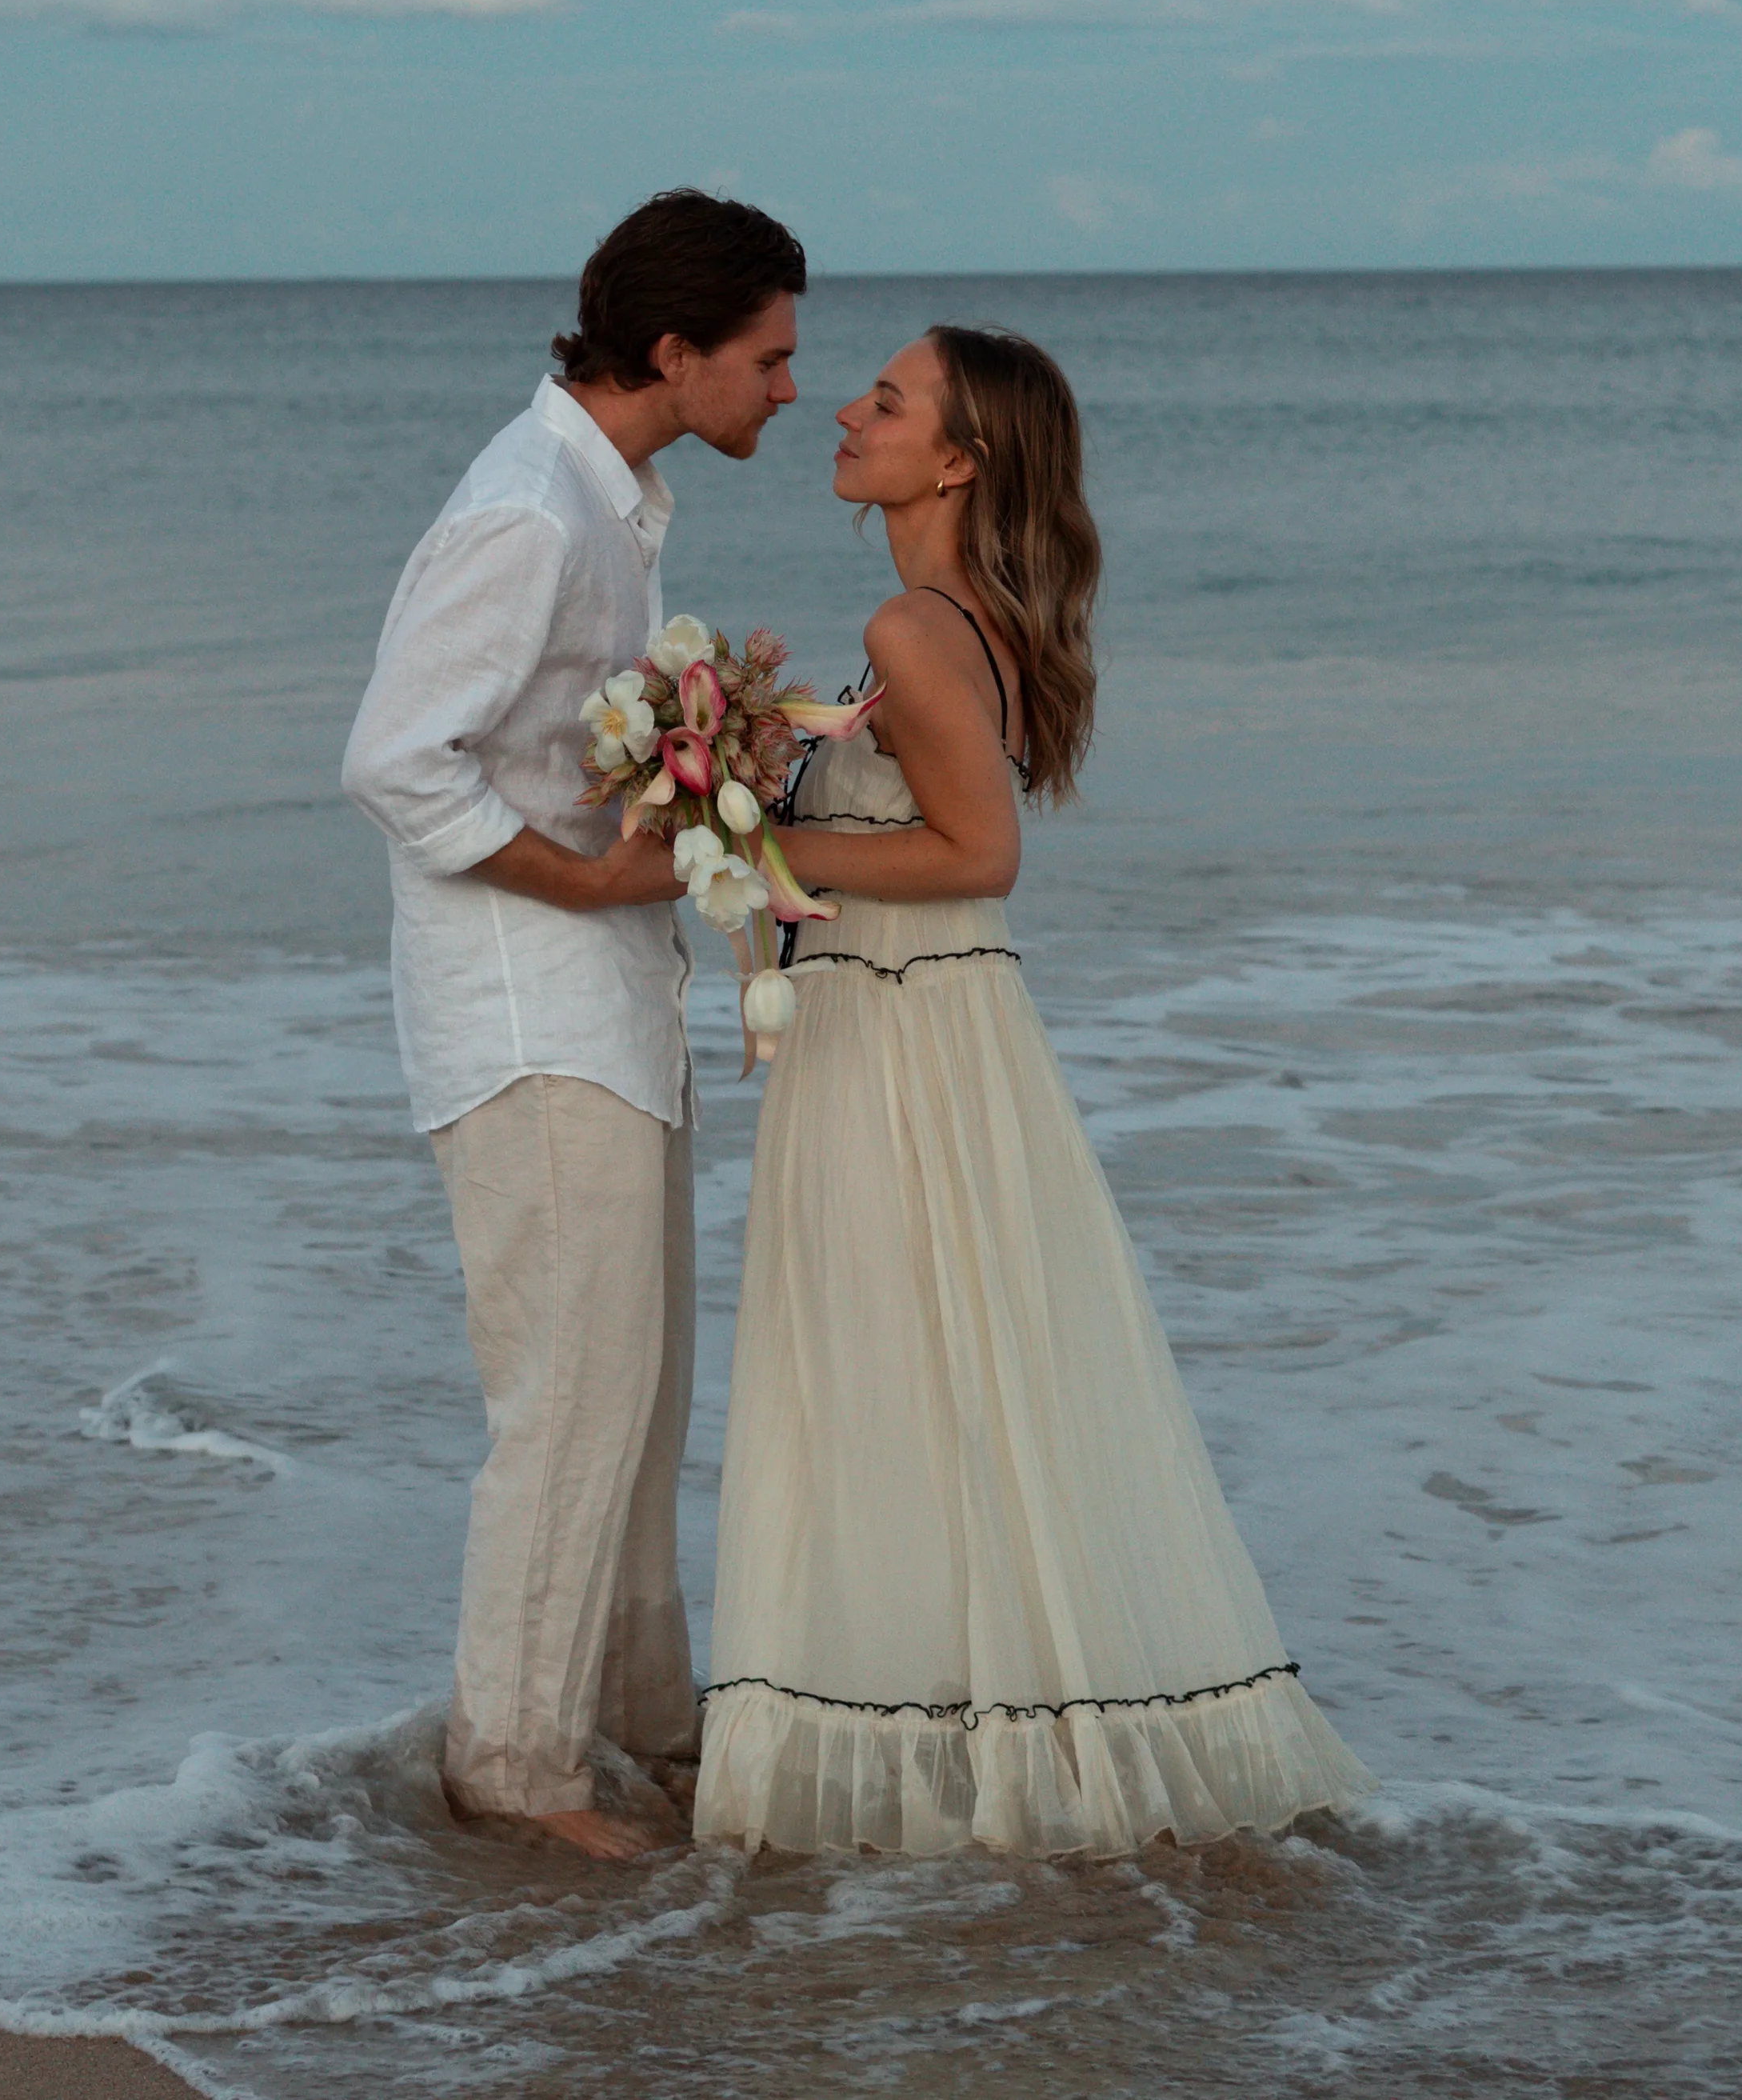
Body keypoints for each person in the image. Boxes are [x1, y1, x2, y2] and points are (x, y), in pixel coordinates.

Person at [695, 325, 1372, 1858]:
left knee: (887, 1372)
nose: (845, 414)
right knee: (949, 1381)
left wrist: (764, 851)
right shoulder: (950, 622)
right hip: (920, 1031)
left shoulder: (919, 625)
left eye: (885, 400)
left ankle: (926, 1758)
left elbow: (977, 857)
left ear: (958, 459)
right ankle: (975, 1742)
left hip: (907, 1044)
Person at [342, 190, 805, 1862]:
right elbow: (394, 757)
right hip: (531, 1022)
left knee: (639, 1396)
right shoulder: (531, 510)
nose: (789, 389)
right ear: (672, 351)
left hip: (607, 1017)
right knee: (571, 1400)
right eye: (768, 357)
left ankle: (639, 1724)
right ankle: (517, 1764)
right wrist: (585, 884)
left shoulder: (612, 499)